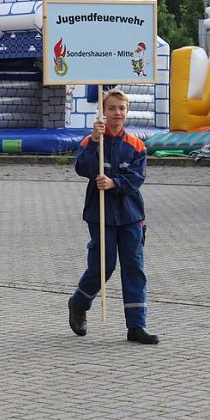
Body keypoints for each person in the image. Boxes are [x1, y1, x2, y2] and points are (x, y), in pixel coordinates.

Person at [67, 88, 159, 345]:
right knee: (102, 266)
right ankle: (79, 302)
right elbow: (82, 169)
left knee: (134, 268)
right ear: (103, 112)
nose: (117, 113)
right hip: (100, 214)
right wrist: (95, 141)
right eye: (111, 109)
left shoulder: (137, 145)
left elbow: (136, 178)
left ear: (127, 112)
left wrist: (114, 183)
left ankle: (136, 326)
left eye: (121, 108)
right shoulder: (91, 140)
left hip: (131, 216)